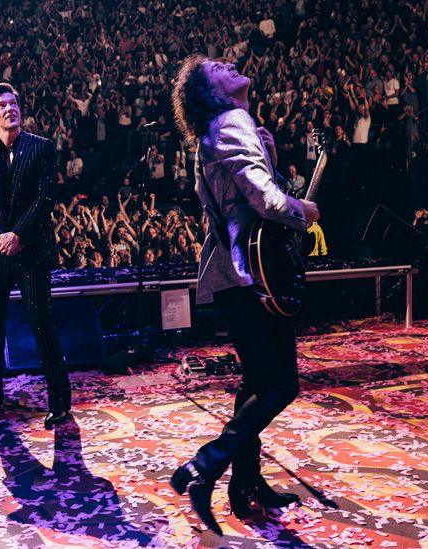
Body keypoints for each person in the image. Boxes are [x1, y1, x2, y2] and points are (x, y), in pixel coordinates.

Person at [169, 55, 320, 536]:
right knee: (282, 384)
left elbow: (235, 198)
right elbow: (264, 201)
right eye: (217, 66)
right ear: (211, 91)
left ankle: (245, 485)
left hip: (236, 278)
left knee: (257, 382)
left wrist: (270, 160)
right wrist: (303, 209)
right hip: (250, 277)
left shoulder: (214, 132)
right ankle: (205, 466)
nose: (229, 63)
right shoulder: (233, 120)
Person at [0, 83, 71, 428]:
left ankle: (59, 402)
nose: (10, 108)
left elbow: (45, 198)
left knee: (43, 325)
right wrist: (0, 236)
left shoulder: (41, 148)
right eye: (2, 105)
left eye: (14, 102)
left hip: (30, 251)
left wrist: (18, 234)